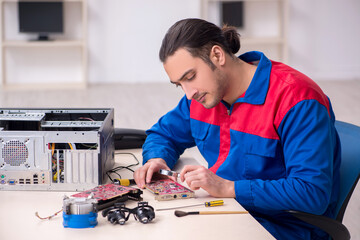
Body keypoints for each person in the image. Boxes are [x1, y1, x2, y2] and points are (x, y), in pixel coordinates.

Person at [134, 18, 341, 240]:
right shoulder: (202, 97)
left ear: (217, 55)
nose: (188, 93)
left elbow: (311, 193)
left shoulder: (297, 100)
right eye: (180, 84)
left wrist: (228, 188)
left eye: (190, 77)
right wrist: (156, 159)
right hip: (228, 210)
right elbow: (163, 134)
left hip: (287, 227)